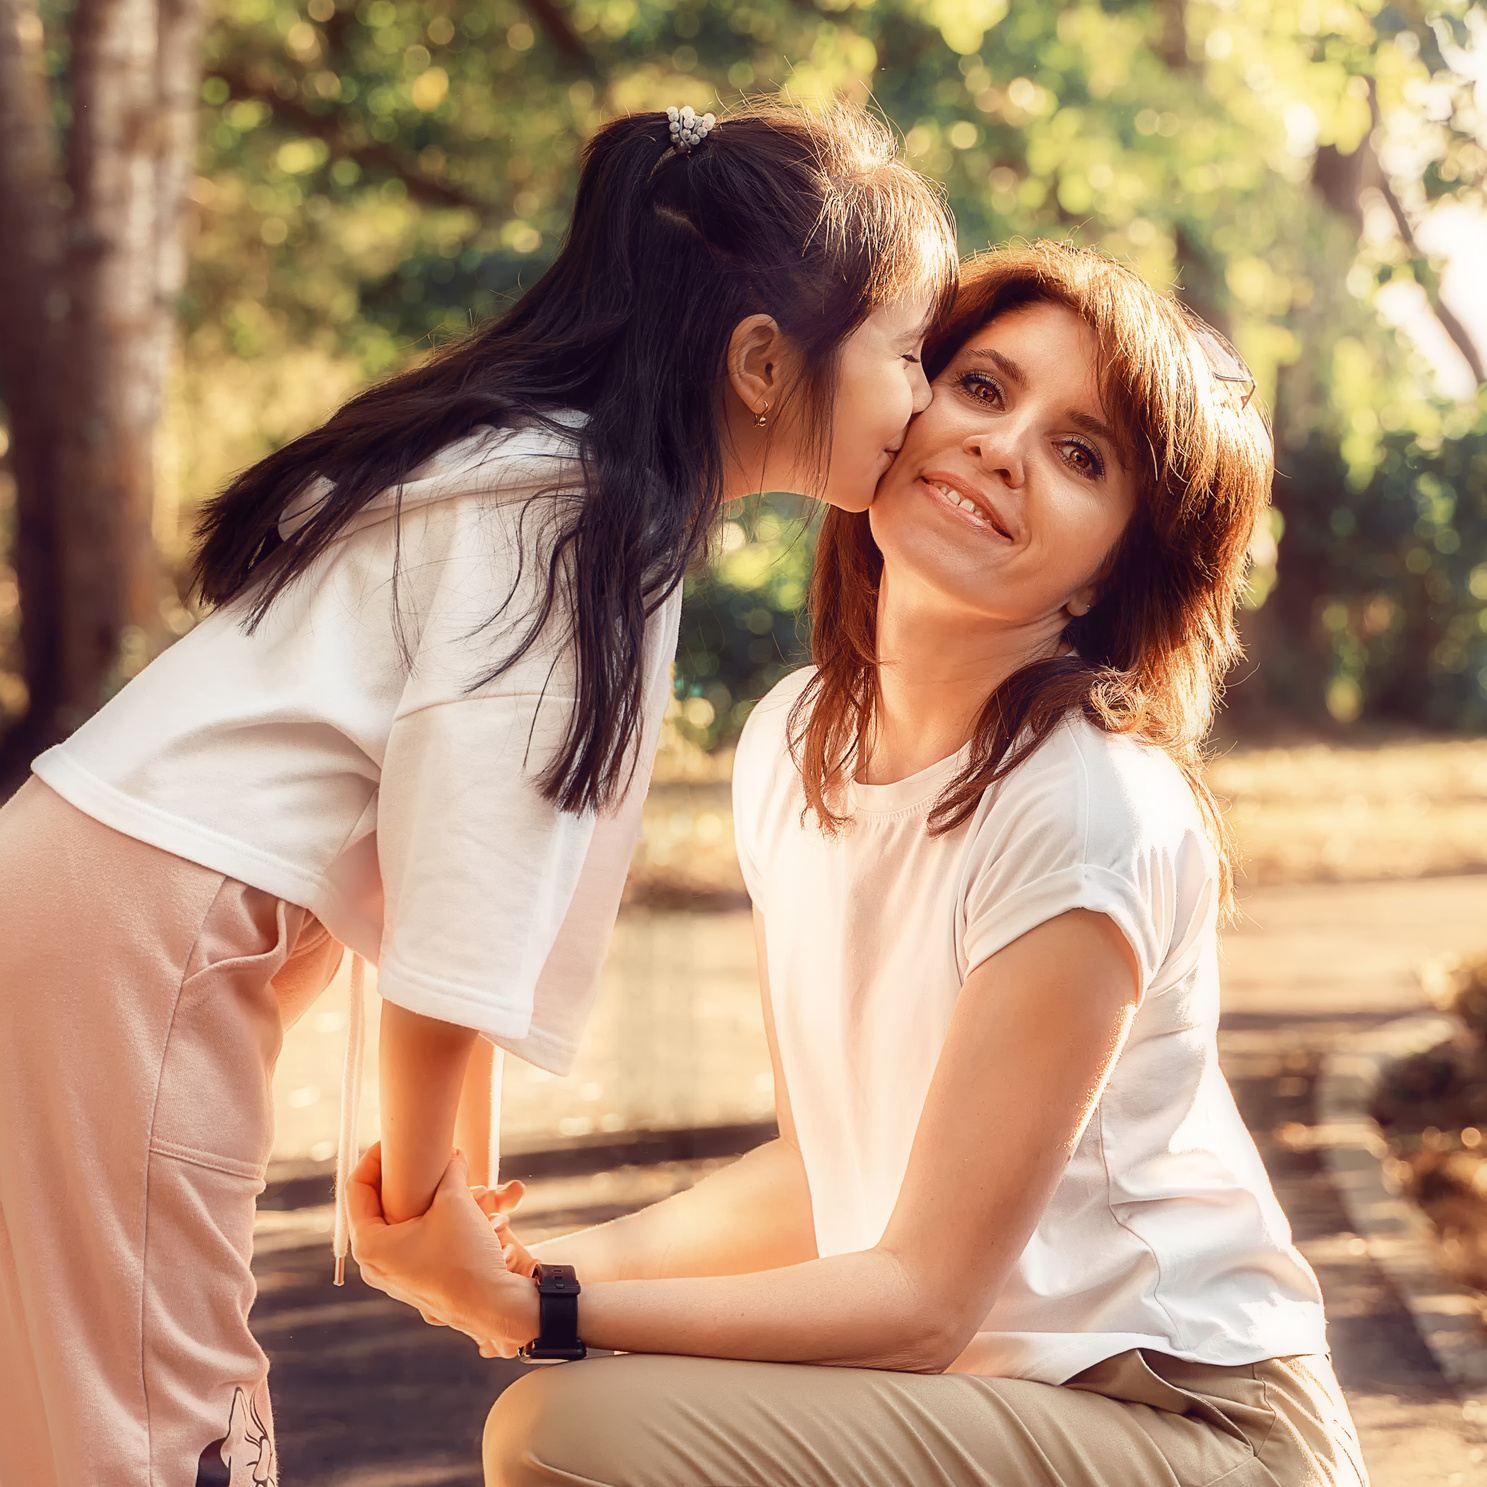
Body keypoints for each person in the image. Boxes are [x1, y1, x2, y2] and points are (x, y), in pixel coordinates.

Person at [0, 101, 958, 1487]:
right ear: (761, 362)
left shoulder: (544, 469)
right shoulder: (579, 516)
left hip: (88, 900)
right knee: (156, 1418)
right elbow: (466, 866)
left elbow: (457, 855)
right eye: (909, 353)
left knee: (65, 1397)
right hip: (134, 942)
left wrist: (454, 1171)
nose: (924, 401)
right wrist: (422, 1190)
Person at [349, 242, 1370, 1487]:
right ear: (902, 403)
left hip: (1190, 1423)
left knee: (567, 1432)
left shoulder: (1085, 803)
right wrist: (522, 1264)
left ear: (1116, 566)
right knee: (583, 1417)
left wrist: (545, 1313)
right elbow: (817, 1176)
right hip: (995, 1406)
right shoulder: (793, 742)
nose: (1002, 446)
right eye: (981, 387)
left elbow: (921, 1300)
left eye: (1079, 453)